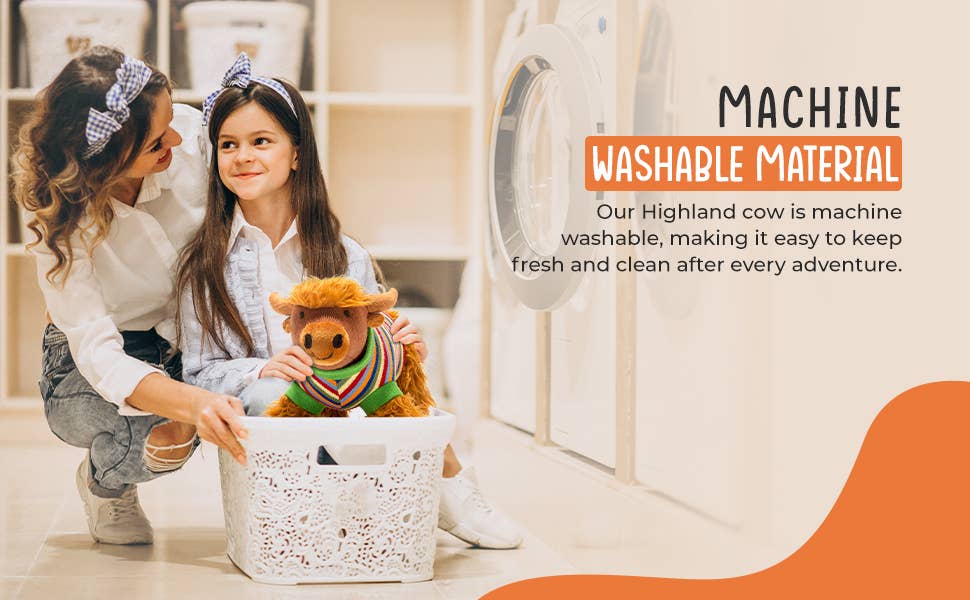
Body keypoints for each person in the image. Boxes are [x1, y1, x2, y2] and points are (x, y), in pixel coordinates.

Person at [177, 54, 523, 549]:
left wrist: (400, 348)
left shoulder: (342, 253)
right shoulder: (206, 265)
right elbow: (197, 372)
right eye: (228, 144)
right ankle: (328, 510)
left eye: (261, 141)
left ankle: (451, 492)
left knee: (404, 402)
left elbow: (371, 346)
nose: (242, 156)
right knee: (277, 396)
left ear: (296, 153)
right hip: (273, 408)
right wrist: (262, 369)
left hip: (349, 396)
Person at [12, 47, 249, 545]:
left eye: (171, 121)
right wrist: (193, 403)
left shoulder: (184, 138)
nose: (179, 138)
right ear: (104, 161)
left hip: (190, 331)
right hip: (97, 352)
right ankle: (106, 484)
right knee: (164, 434)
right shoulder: (56, 218)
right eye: (157, 142)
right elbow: (98, 351)